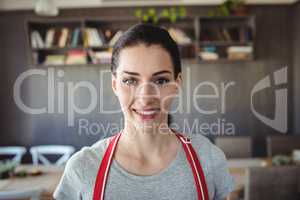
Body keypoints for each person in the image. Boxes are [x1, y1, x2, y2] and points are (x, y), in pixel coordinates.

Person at [53, 23, 235, 200]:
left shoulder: (208, 159)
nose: (146, 97)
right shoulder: (82, 168)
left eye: (161, 80)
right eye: (131, 81)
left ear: (176, 84)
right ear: (115, 85)